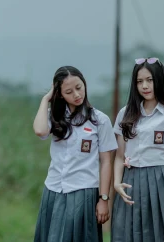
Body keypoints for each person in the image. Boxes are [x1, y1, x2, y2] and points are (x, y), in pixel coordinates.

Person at [111, 58, 164, 242]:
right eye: (139, 81)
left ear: (159, 80)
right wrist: (117, 183)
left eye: (149, 80)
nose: (144, 86)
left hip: (161, 179)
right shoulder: (125, 113)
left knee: (161, 232)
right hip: (131, 180)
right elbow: (119, 156)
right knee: (128, 232)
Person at [33, 66, 118, 242]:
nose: (77, 95)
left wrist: (103, 199)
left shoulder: (99, 120)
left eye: (79, 87)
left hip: (83, 192)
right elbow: (40, 131)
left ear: (84, 84)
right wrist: (45, 99)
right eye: (69, 92)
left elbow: (106, 162)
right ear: (60, 94)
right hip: (54, 190)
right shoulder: (54, 116)